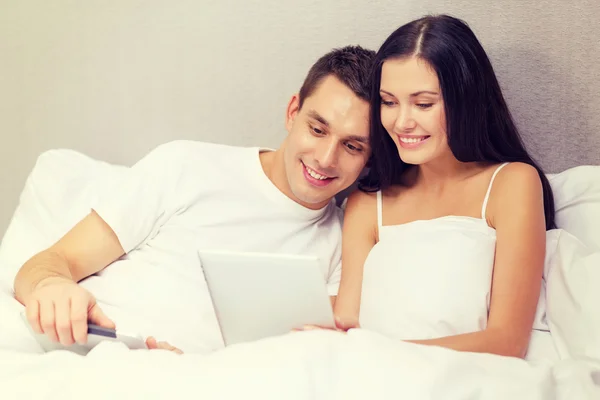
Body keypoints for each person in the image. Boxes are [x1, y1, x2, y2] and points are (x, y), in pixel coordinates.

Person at [13, 45, 375, 353]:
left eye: (352, 146)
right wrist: (52, 288)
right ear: (292, 112)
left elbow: (309, 355)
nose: (326, 158)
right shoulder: (184, 165)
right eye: (317, 129)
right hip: (92, 351)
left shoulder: (346, 247)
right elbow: (48, 263)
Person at [331, 15, 555, 358]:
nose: (402, 122)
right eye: (389, 102)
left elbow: (507, 341)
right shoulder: (368, 201)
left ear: (465, 99)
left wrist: (388, 356)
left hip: (462, 375)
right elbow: (348, 319)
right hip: (371, 375)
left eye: (423, 104)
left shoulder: (512, 184)